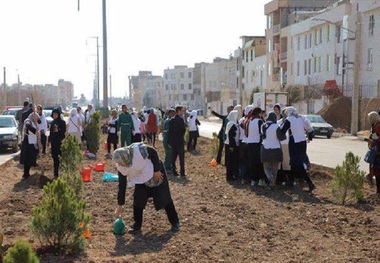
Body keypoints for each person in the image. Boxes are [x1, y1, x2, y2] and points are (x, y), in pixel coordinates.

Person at [114, 143, 180, 233]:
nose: (120, 164)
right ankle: (137, 226)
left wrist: (157, 169)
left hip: (154, 173)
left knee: (164, 197)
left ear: (126, 157)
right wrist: (120, 204)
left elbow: (153, 152)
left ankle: (175, 222)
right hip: (141, 178)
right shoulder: (121, 167)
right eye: (118, 163)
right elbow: (122, 185)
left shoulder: (138, 150)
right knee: (138, 200)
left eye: (121, 162)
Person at [279, 107, 315, 192]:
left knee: (296, 163)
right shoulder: (301, 117)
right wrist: (309, 137)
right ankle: (290, 182)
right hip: (302, 142)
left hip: (294, 142)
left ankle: (310, 182)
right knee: (295, 163)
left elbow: (282, 130)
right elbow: (310, 128)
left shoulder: (289, 119)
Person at [245, 107, 268, 187]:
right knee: (259, 163)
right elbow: (262, 132)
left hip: (250, 144)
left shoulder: (249, 121)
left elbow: (247, 133)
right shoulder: (259, 121)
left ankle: (253, 180)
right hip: (257, 144)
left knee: (252, 163)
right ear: (259, 113)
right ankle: (261, 180)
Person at [261, 112, 283, 189]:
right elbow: (281, 137)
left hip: (266, 149)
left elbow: (263, 136)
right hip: (276, 149)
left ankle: (271, 179)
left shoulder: (263, 126)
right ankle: (273, 182)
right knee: (275, 167)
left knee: (266, 167)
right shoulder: (277, 126)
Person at [20, 112, 40, 180]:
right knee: (27, 159)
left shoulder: (34, 123)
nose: (36, 120)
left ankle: (27, 173)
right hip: (27, 142)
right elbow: (28, 126)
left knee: (30, 159)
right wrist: (35, 131)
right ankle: (25, 174)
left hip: (31, 142)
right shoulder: (28, 121)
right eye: (35, 118)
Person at [168, 106, 186, 177]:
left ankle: (174, 172)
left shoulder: (171, 120)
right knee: (181, 158)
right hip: (180, 141)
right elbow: (183, 130)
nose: (182, 112)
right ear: (178, 111)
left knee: (173, 157)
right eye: (181, 111)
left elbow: (169, 132)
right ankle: (182, 172)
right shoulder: (181, 120)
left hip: (173, 142)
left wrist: (169, 142)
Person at [48, 107, 66, 179]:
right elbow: (51, 133)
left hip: (60, 142)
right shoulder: (52, 122)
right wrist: (48, 141)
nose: (55, 115)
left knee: (60, 158)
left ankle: (63, 172)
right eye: (54, 114)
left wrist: (58, 130)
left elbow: (63, 132)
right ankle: (56, 174)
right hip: (53, 143)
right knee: (55, 158)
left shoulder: (62, 122)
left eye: (56, 114)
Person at [239, 105, 253, 184]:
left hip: (243, 142)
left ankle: (243, 177)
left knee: (244, 161)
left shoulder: (242, 120)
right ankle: (247, 177)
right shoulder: (250, 121)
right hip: (247, 143)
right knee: (247, 161)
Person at [367, 111, 380, 194]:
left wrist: (373, 139)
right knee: (375, 169)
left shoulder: (378, 126)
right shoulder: (375, 125)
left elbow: (377, 138)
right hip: (376, 150)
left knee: (377, 170)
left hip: (378, 151)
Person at [225, 110, 239, 183]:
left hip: (229, 144)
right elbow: (231, 136)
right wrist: (232, 146)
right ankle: (230, 177)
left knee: (229, 161)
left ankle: (229, 176)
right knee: (230, 162)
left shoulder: (230, 123)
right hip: (231, 145)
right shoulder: (233, 124)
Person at [163, 109, 175, 173]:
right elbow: (168, 133)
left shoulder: (168, 120)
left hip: (168, 140)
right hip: (167, 140)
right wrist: (169, 142)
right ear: (169, 114)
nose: (173, 115)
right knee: (168, 155)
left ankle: (169, 167)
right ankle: (167, 168)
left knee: (170, 154)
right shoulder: (168, 121)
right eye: (172, 113)